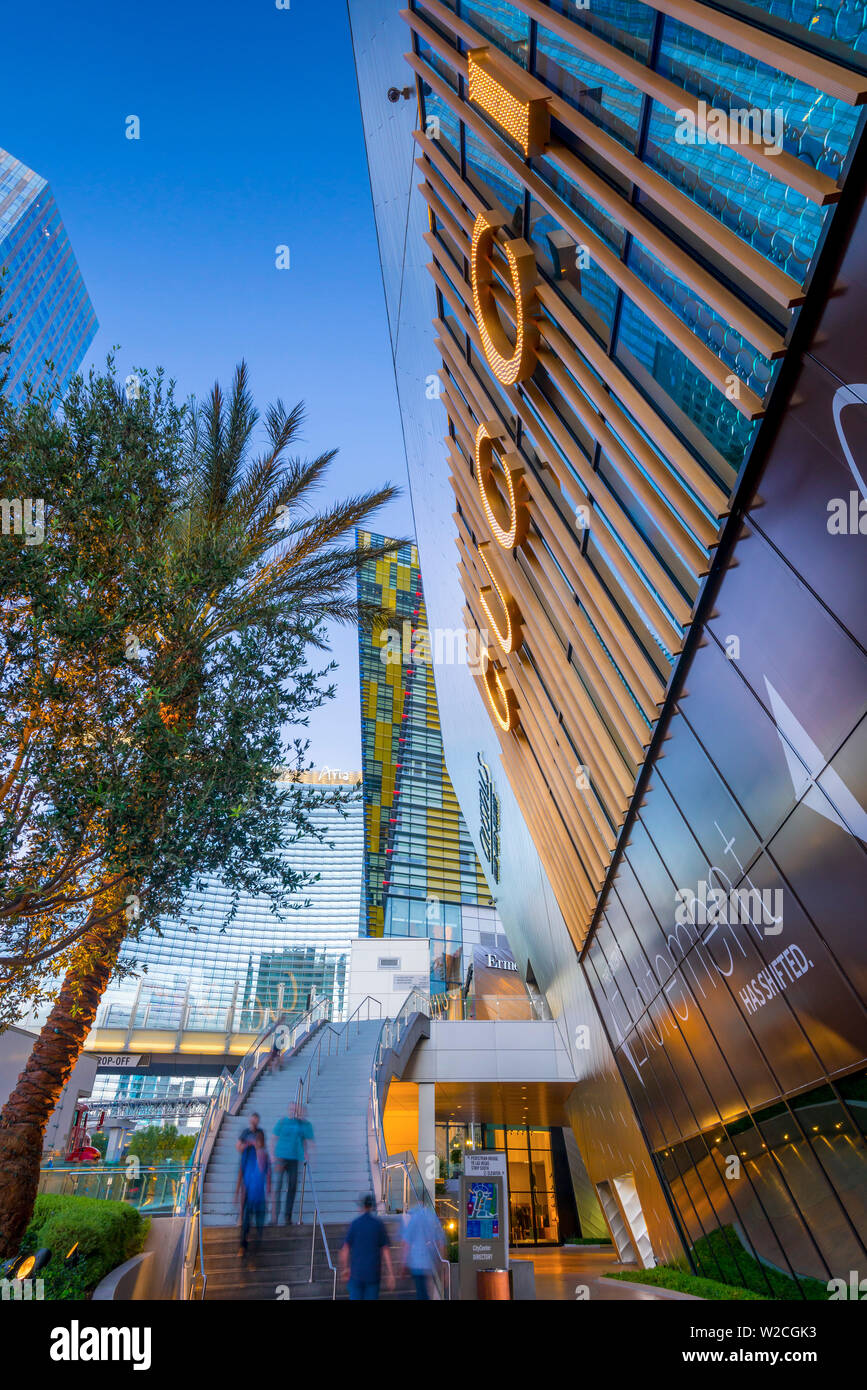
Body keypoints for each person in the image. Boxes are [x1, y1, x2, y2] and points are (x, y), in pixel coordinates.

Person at [339, 1193, 395, 1300]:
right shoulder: (378, 1225)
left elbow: (345, 1249)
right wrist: (391, 1273)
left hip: (356, 1274)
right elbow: (385, 1250)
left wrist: (345, 1269)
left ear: (362, 1206)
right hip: (373, 1274)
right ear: (372, 1207)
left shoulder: (355, 1224)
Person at [271, 1102, 314, 1225]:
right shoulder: (282, 1122)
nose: (293, 1111)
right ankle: (274, 1218)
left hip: (294, 1159)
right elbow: (274, 1138)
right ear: (288, 1109)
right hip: (281, 1158)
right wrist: (273, 1155)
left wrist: (306, 1153)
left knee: (292, 1188)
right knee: (278, 1187)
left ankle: (287, 1217)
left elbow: (305, 1139)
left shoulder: (300, 1124)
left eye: (295, 1110)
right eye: (291, 1109)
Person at [236, 1129, 271, 1257]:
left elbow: (268, 1175)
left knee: (259, 1223)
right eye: (258, 1141)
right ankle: (243, 1246)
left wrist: (268, 1191)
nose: (259, 1143)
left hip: (260, 1196)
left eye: (261, 1141)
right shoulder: (248, 1154)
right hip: (249, 1194)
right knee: (246, 1221)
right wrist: (238, 1192)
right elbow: (241, 1172)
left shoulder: (265, 1156)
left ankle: (256, 1248)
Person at [401, 1203, 444, 1300]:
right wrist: (440, 1262)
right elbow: (440, 1241)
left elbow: (406, 1243)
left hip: (416, 1263)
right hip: (429, 1262)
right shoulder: (432, 1218)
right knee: (424, 1291)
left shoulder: (414, 1220)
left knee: (421, 1292)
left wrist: (404, 1264)